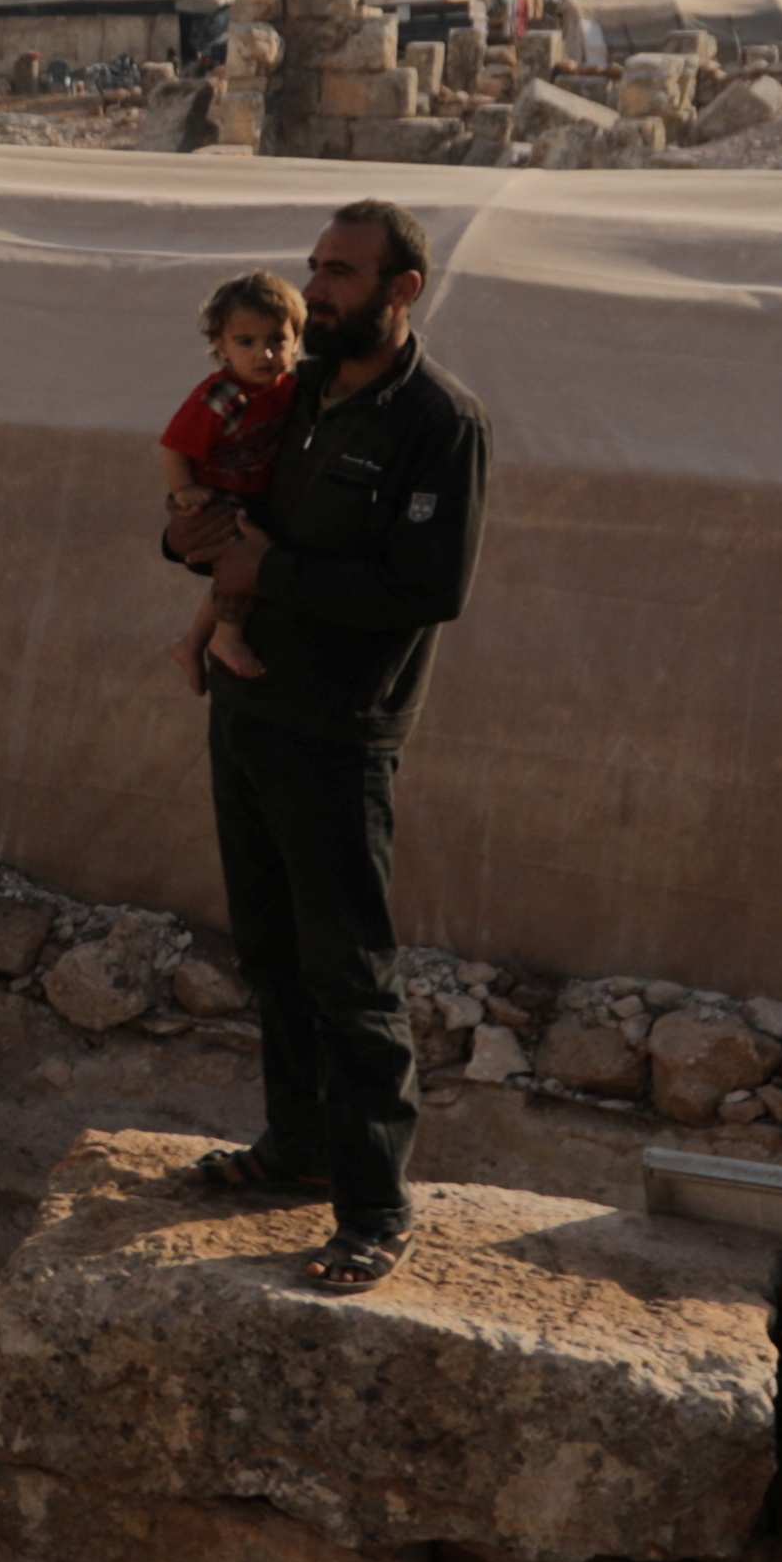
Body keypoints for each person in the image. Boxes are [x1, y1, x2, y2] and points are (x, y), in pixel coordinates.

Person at [173, 199, 493, 1293]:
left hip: (338, 730)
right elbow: (225, 512)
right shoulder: (294, 392)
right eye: (315, 266)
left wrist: (271, 576)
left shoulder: (439, 422)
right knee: (269, 948)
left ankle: (372, 1206)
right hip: (248, 707)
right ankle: (296, 1147)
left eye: (343, 272)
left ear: (403, 290)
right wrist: (189, 541)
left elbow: (427, 588)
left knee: (348, 969)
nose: (316, 289)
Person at [152, 268, 307, 687]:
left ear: (297, 340)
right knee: (244, 563)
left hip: (249, 496)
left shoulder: (289, 388)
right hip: (212, 496)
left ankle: (193, 641)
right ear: (221, 347)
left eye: (277, 339)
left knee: (240, 568)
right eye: (247, 342)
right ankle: (226, 637)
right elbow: (175, 446)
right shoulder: (224, 395)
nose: (265, 354)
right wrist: (184, 490)